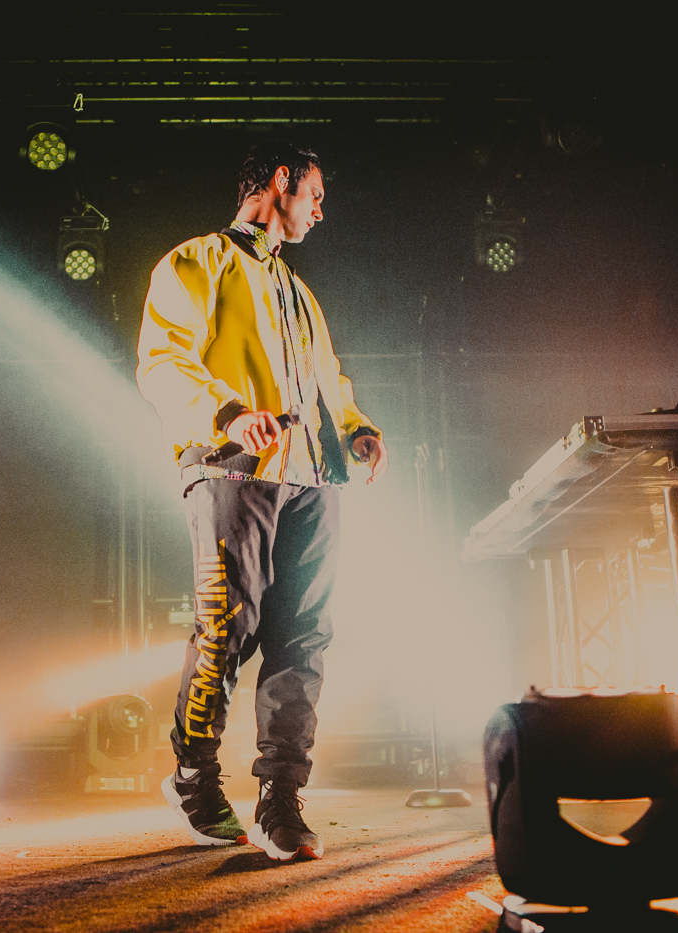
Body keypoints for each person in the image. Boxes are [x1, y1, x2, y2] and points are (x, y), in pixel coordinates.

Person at [136, 143, 388, 861]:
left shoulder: (300, 292)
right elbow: (162, 359)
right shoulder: (196, 261)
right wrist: (227, 413)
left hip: (312, 476)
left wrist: (357, 428)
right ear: (282, 181)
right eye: (316, 193)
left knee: (304, 635)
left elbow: (329, 379)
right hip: (233, 468)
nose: (320, 209)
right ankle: (193, 775)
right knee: (229, 624)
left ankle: (280, 796)